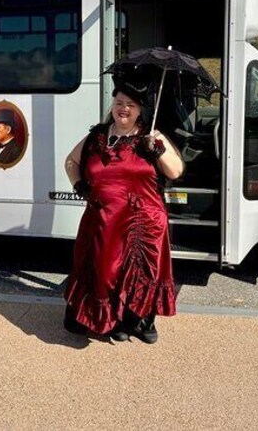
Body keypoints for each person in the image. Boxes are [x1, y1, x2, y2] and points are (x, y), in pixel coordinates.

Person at [62, 80, 184, 343]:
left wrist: (158, 150)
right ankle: (110, 320)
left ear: (140, 110)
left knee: (141, 273)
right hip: (103, 220)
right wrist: (80, 184)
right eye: (119, 102)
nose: (123, 108)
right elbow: (70, 161)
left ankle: (140, 321)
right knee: (105, 271)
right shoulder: (97, 137)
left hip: (143, 222)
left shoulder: (153, 136)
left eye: (130, 104)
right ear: (113, 105)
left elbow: (175, 171)